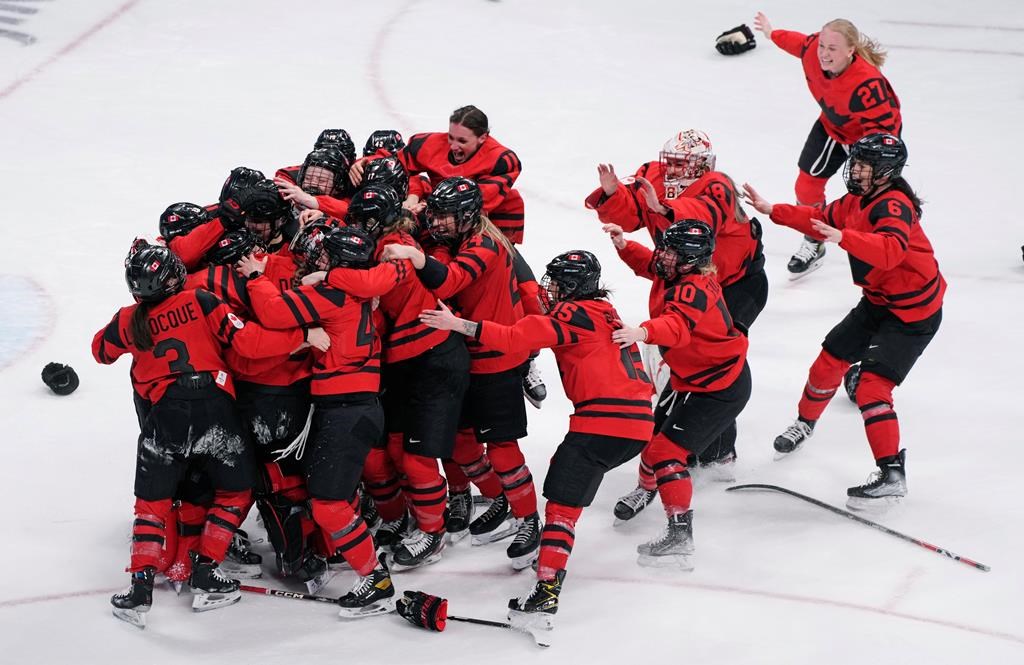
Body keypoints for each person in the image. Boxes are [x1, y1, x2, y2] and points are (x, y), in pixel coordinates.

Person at [93, 242, 326, 627]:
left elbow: (99, 352)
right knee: (236, 491)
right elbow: (250, 343)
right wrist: (299, 337)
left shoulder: (127, 319)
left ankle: (139, 589)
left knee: (151, 505)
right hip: (214, 409)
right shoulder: (199, 300)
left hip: (164, 417)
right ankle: (207, 571)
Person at [419, 249, 654, 629]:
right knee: (563, 487)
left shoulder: (573, 313)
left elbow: (514, 337)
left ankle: (546, 592)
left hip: (604, 422)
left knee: (561, 508)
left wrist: (458, 324)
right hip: (635, 424)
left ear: (572, 286)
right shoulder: (603, 311)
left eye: (557, 282)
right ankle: (547, 555)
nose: (551, 289)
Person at [743, 133, 944, 510]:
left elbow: (889, 251)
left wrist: (845, 237)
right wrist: (774, 210)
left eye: (865, 164)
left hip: (913, 315)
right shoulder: (856, 200)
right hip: (879, 302)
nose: (855, 169)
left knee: (872, 389)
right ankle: (805, 423)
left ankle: (891, 474)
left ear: (885, 171)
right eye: (857, 162)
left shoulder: (894, 205)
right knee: (827, 362)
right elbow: (819, 218)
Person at [586, 129, 766, 480]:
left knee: (718, 359)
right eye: (671, 162)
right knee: (688, 353)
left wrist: (663, 207)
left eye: (682, 164)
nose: (673, 170)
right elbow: (630, 217)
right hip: (685, 278)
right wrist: (614, 194)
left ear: (701, 166)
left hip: (736, 285)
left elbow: (704, 218)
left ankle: (714, 446)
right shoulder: (652, 173)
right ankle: (693, 434)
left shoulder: (718, 184)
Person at [381, 177, 541, 569]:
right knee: (462, 445)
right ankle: (501, 498)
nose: (439, 222)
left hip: (497, 359)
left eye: (447, 216)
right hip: (468, 354)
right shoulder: (464, 237)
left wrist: (418, 258)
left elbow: (451, 280)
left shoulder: (486, 243)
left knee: (503, 451)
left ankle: (529, 520)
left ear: (469, 216)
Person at [239, 225, 397, 617]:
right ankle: (364, 564)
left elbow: (274, 312)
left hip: (345, 410)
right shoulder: (364, 290)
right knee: (335, 497)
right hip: (357, 407)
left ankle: (375, 580)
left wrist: (256, 277)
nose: (320, 260)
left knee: (327, 505)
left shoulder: (332, 292)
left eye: (328, 257)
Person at [351, 105, 548, 406]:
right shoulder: (427, 143)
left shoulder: (503, 160)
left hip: (482, 224)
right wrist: (368, 163)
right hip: (440, 219)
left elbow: (477, 202)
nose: (453, 146)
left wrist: (430, 206)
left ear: (483, 138)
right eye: (451, 137)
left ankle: (526, 359)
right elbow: (399, 164)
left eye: (462, 141)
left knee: (525, 287)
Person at [604, 220, 751, 570]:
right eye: (664, 247)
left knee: (666, 451)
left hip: (718, 387)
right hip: (692, 378)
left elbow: (676, 326)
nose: (663, 256)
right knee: (651, 435)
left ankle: (680, 535)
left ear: (690, 260)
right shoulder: (675, 270)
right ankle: (647, 488)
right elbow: (647, 264)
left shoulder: (694, 289)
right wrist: (624, 244)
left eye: (671, 251)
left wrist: (641, 331)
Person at [753, 12, 902, 278]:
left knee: (867, 200)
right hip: (832, 127)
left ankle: (880, 249)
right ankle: (814, 240)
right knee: (806, 185)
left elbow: (887, 129)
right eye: (822, 45)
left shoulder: (867, 84)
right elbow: (797, 43)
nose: (823, 53)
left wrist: (872, 162)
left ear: (850, 51)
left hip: (869, 141)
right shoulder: (812, 50)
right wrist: (770, 32)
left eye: (832, 48)